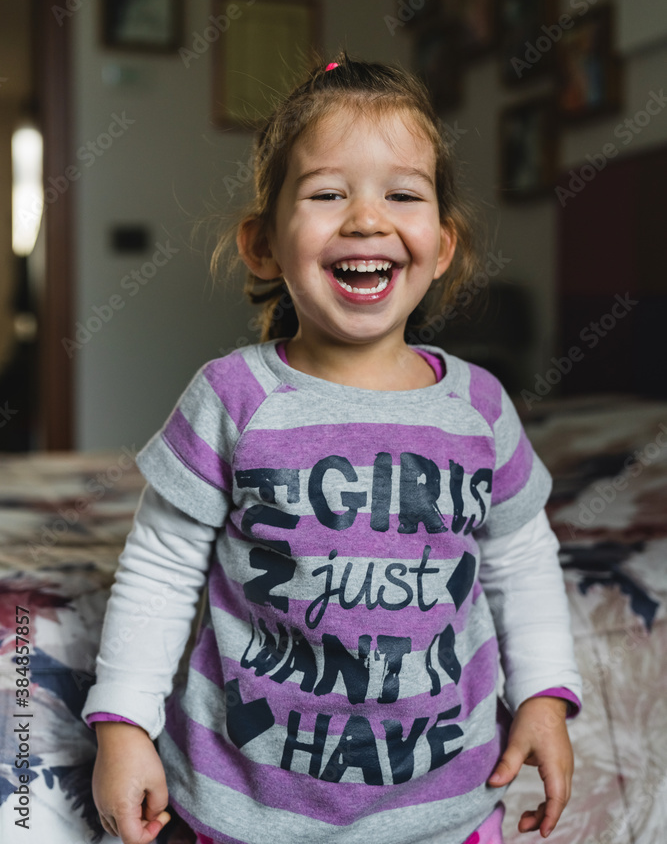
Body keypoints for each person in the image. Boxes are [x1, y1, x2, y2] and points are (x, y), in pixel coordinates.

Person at [83, 52, 581, 844]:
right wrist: (123, 724)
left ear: (441, 247)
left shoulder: (480, 408)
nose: (365, 218)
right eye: (326, 193)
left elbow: (520, 561)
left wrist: (545, 697)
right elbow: (161, 565)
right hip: (247, 808)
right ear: (263, 245)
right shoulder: (232, 397)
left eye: (402, 194)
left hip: (443, 809)